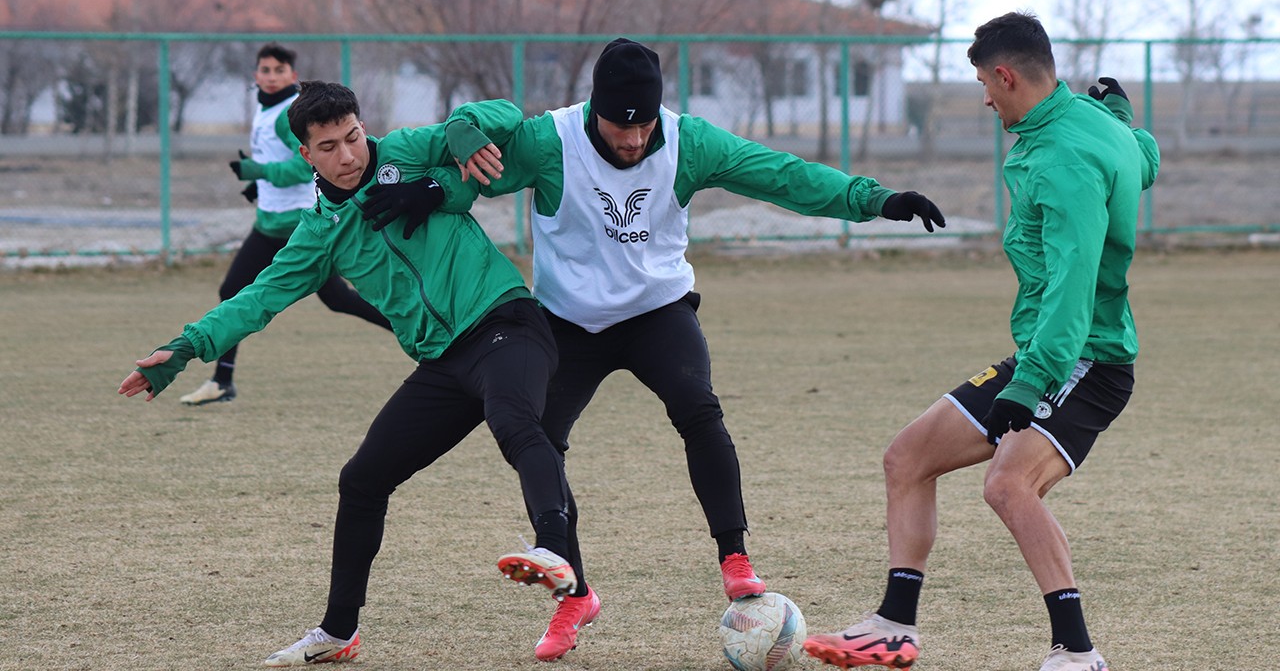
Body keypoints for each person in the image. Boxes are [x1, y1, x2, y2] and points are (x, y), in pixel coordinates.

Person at [416, 37, 946, 661]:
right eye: (621, 127)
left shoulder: (689, 141)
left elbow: (782, 175)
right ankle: (573, 591)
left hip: (656, 311)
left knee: (698, 407)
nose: (635, 140)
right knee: (537, 439)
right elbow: (468, 169)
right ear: (595, 108)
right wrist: (422, 189)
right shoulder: (548, 141)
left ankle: (735, 556)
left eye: (644, 127)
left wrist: (876, 199)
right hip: (567, 321)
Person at [119, 80, 585, 666]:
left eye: (354, 137)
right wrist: (186, 348)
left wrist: (465, 131)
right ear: (306, 156)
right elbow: (257, 298)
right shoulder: (319, 232)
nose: (349, 155)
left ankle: (550, 551)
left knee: (514, 421)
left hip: (506, 321)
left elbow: (507, 112)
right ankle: (339, 632)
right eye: (330, 146)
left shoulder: (406, 152)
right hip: (444, 359)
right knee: (362, 479)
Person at [802, 12, 1160, 671]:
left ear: (1006, 75)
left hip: (1085, 358)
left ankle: (1078, 653)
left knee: (1007, 486)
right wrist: (1127, 124)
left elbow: (1072, 290)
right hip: (1048, 353)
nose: (985, 99)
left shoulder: (1065, 157)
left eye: (984, 86)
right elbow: (1143, 162)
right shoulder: (1090, 125)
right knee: (906, 458)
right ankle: (893, 627)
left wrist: (1032, 381)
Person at [178, 43, 392, 406]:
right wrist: (257, 186)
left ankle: (423, 331)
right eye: (266, 70)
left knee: (338, 299)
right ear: (256, 75)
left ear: (292, 76)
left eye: (280, 70)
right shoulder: (265, 112)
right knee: (236, 291)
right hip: (269, 223)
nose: (272, 76)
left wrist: (260, 171)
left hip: (297, 225)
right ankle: (222, 381)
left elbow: (301, 166)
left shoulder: (284, 116)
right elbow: (279, 162)